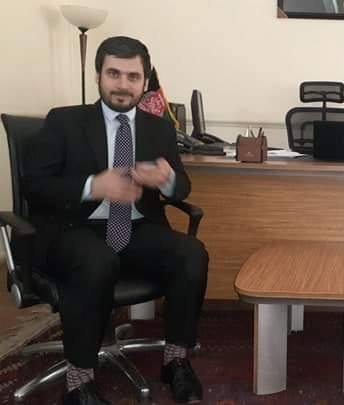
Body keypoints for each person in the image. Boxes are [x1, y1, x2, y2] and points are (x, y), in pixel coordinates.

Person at [23, 36, 208, 405]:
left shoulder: (159, 128)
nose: (123, 84)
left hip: (137, 229)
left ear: (145, 81)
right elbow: (35, 186)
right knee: (97, 260)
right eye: (114, 74)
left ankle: (176, 361)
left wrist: (166, 179)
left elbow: (182, 187)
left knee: (192, 253)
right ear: (98, 76)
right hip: (75, 229)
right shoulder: (64, 121)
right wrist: (92, 186)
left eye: (133, 76)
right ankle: (79, 381)